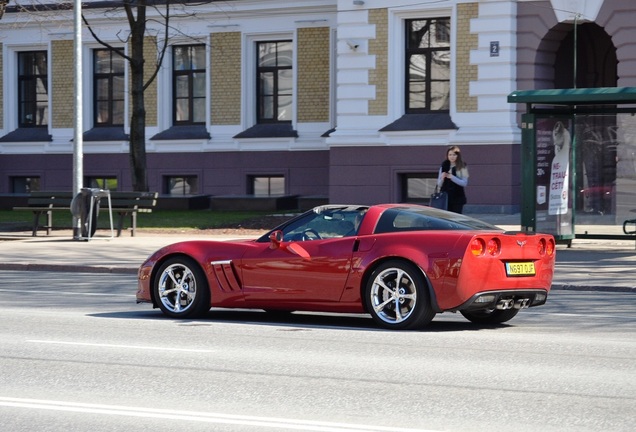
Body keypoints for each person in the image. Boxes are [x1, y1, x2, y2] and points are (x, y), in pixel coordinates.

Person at [437, 145, 469, 213]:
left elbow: (464, 183)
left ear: (458, 155)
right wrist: (442, 178)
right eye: (450, 155)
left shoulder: (462, 166)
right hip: (445, 197)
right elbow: (439, 184)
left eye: (454, 155)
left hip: (458, 197)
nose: (452, 157)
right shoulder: (444, 166)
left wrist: (452, 177)